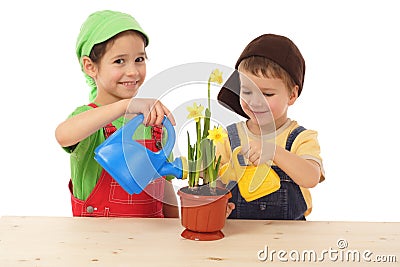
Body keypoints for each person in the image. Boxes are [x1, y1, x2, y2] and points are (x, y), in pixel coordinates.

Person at [55, 10, 178, 218]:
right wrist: (125, 106)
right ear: (90, 66)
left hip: (153, 246)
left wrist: (177, 231)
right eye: (120, 61)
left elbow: (166, 191)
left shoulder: (153, 124)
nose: (133, 71)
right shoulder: (88, 118)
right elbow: (63, 135)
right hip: (97, 245)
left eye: (139, 59)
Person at [217, 34, 325, 220]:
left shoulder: (300, 138)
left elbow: (311, 177)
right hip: (237, 239)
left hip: (290, 239)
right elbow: (213, 185)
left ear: (292, 95)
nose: (255, 102)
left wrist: (274, 152)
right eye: (247, 91)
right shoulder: (228, 137)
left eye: (267, 94)